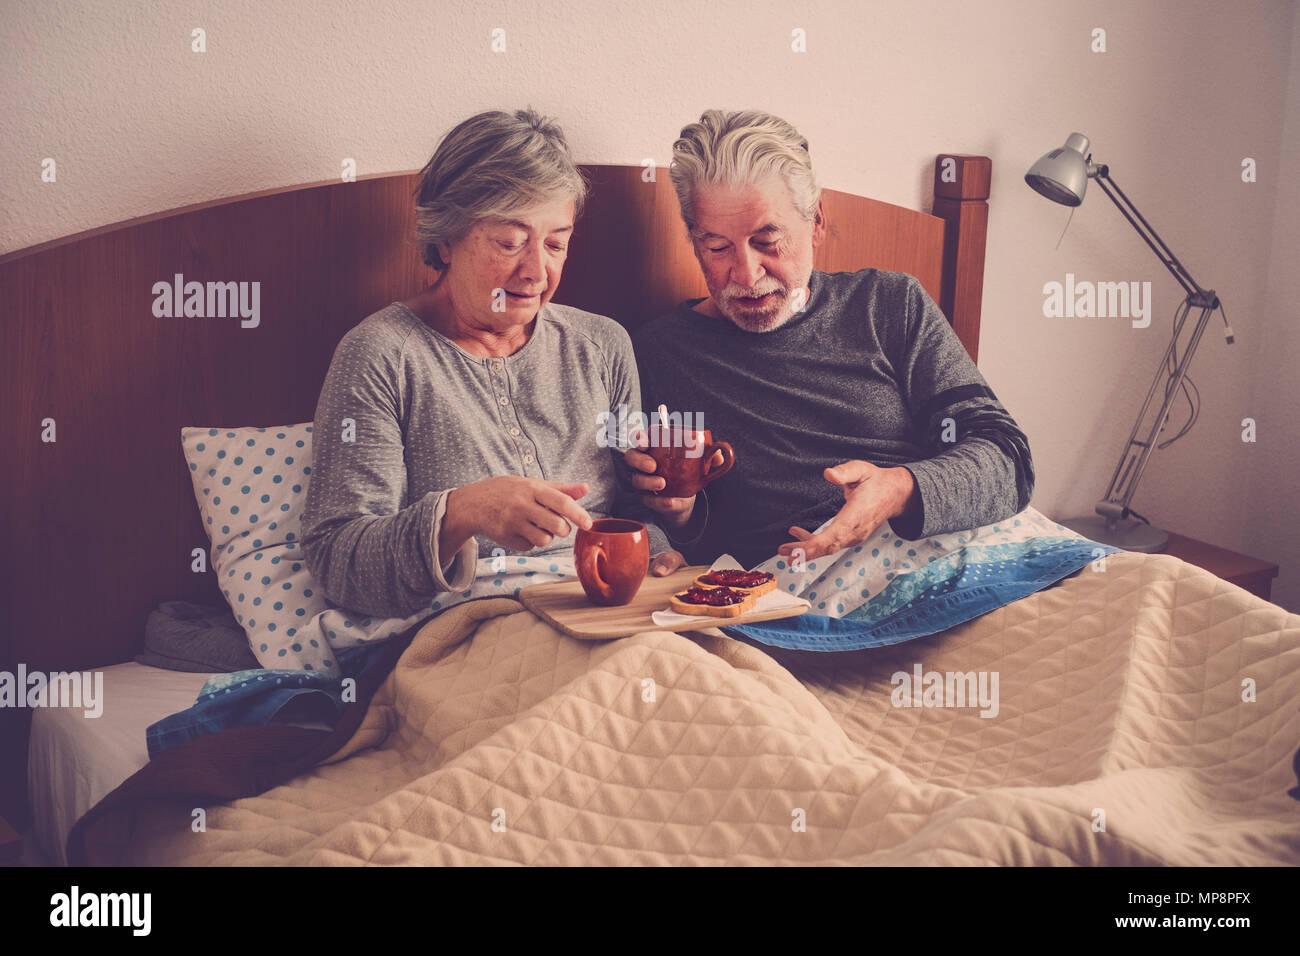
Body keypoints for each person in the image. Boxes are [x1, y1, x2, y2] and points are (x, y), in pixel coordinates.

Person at [301, 108, 680, 620]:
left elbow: (632, 515)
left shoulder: (603, 345)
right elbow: (340, 567)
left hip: (610, 614)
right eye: (510, 242)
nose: (536, 271)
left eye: (555, 243)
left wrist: (659, 540)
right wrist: (463, 512)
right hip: (471, 625)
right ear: (445, 237)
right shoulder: (381, 356)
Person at [627, 109, 1034, 571]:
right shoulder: (659, 355)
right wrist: (673, 522)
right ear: (694, 242)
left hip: (963, 551)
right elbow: (641, 516)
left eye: (768, 240)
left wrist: (900, 489)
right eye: (717, 247)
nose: (745, 274)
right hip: (807, 587)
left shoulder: (889, 304)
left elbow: (1008, 461)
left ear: (816, 221)